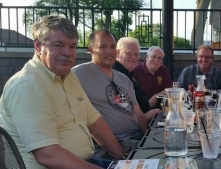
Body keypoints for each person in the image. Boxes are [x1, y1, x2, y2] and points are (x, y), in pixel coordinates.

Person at [0, 15, 125, 169]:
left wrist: (125, 158)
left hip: (86, 162)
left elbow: (94, 122)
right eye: (58, 45)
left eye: (72, 46)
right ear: (38, 46)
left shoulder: (68, 76)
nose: (67, 52)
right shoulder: (28, 85)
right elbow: (48, 155)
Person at [72, 30, 161, 159]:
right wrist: (124, 157)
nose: (109, 51)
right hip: (116, 145)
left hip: (137, 139)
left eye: (112, 47)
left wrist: (151, 140)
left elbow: (139, 116)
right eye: (103, 47)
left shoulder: (124, 79)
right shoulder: (79, 75)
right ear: (91, 50)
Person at [113, 37, 151, 113]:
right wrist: (144, 117)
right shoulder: (114, 73)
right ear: (118, 53)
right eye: (129, 53)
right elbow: (122, 103)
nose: (133, 57)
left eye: (136, 54)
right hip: (132, 122)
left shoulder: (129, 72)